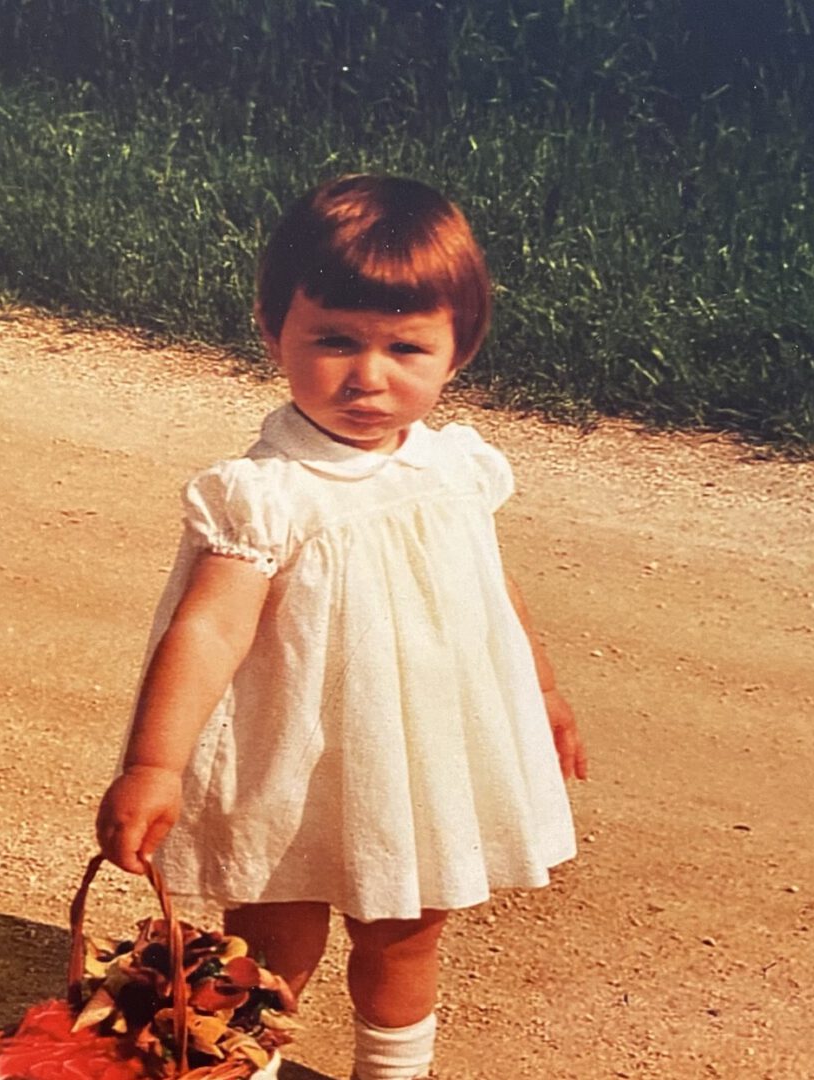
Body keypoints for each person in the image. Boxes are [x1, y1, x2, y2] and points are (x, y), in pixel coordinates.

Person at [96, 173, 588, 1080]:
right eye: (333, 341)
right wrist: (153, 765)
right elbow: (207, 633)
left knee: (405, 937)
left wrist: (542, 690)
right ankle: (243, 1065)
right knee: (269, 950)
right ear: (272, 329)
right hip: (292, 766)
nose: (368, 376)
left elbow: (491, 589)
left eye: (407, 347)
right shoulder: (268, 494)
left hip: (417, 764)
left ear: (459, 349)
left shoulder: (455, 470)